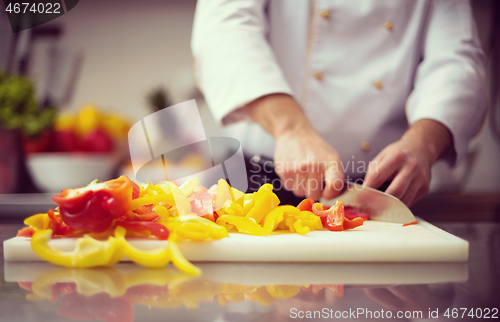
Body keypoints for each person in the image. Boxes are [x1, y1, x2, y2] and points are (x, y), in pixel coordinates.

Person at [191, 0, 486, 207]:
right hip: (258, 183)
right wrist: (291, 129)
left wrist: (424, 143)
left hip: (382, 192)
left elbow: (457, 60)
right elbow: (224, 30)